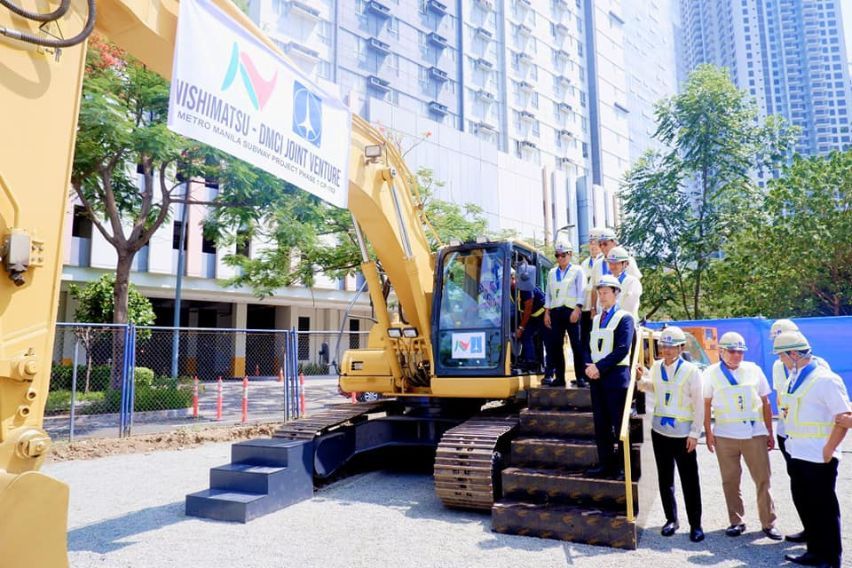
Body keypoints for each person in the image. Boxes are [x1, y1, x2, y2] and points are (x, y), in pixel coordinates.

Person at [772, 331, 850, 568]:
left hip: (818, 455)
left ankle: (830, 557)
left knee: (825, 509)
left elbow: (844, 417)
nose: (781, 361)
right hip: (797, 452)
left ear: (794, 354)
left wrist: (829, 448)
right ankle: (814, 552)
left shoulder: (826, 379)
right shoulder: (793, 378)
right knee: (807, 506)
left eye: (782, 356)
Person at [703, 331, 781, 540]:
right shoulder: (711, 373)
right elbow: (706, 404)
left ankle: (768, 522)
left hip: (754, 434)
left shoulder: (754, 370)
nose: (737, 355)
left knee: (763, 479)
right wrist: (708, 433)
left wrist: (769, 432)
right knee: (730, 480)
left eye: (740, 352)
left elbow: (765, 402)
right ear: (721, 352)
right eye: (732, 351)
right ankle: (736, 521)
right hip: (725, 435)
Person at [637, 326, 704, 542]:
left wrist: (695, 433)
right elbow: (655, 387)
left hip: (683, 434)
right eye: (663, 346)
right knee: (665, 478)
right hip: (660, 431)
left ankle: (696, 524)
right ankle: (671, 519)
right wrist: (641, 380)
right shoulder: (656, 367)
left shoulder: (692, 371)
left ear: (681, 347)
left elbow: (699, 403)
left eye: (671, 347)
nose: (666, 350)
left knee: (689, 480)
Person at [770, 319, 831, 544]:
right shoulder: (779, 366)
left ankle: (821, 538)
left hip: (811, 438)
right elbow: (781, 398)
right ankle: (809, 529)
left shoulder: (820, 366)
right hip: (788, 433)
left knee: (818, 490)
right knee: (799, 484)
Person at [584, 274, 635, 479]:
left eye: (606, 292)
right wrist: (588, 366)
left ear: (616, 294)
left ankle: (624, 467)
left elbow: (622, 349)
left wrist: (599, 367)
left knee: (619, 424)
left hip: (615, 378)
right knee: (601, 425)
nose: (602, 296)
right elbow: (587, 345)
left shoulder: (625, 318)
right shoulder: (596, 319)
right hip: (596, 378)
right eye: (600, 292)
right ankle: (605, 464)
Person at [542, 241, 586, 387]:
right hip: (555, 311)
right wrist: (547, 313)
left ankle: (580, 377)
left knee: (576, 345)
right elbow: (548, 293)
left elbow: (582, 290)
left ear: (570, 254)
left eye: (563, 255)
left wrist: (578, 308)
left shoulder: (577, 270)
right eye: (557, 255)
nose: (560, 258)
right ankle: (559, 377)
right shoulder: (552, 272)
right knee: (556, 345)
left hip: (571, 310)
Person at [590, 227, 641, 317]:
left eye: (605, 244)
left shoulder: (627, 260)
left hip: (624, 313)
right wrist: (593, 309)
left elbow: (634, 289)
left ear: (614, 242)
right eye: (600, 244)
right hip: (602, 313)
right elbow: (594, 289)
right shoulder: (597, 264)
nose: (602, 247)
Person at [511, 263, 546, 373]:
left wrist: (521, 327)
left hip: (542, 314)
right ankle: (529, 360)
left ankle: (541, 366)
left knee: (546, 340)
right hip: (532, 316)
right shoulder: (510, 289)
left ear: (514, 277)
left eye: (509, 278)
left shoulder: (524, 286)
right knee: (526, 335)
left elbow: (528, 308)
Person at [579, 228, 603, 376]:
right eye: (591, 243)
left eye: (596, 243)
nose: (593, 246)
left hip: (599, 308)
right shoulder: (584, 264)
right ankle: (585, 374)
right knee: (585, 342)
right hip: (585, 308)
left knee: (598, 342)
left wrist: (595, 308)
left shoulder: (604, 262)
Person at [605, 246, 642, 319]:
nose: (613, 266)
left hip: (625, 322)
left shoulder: (632, 282)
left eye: (616, 263)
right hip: (608, 324)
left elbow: (629, 307)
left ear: (626, 264)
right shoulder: (607, 281)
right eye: (611, 263)